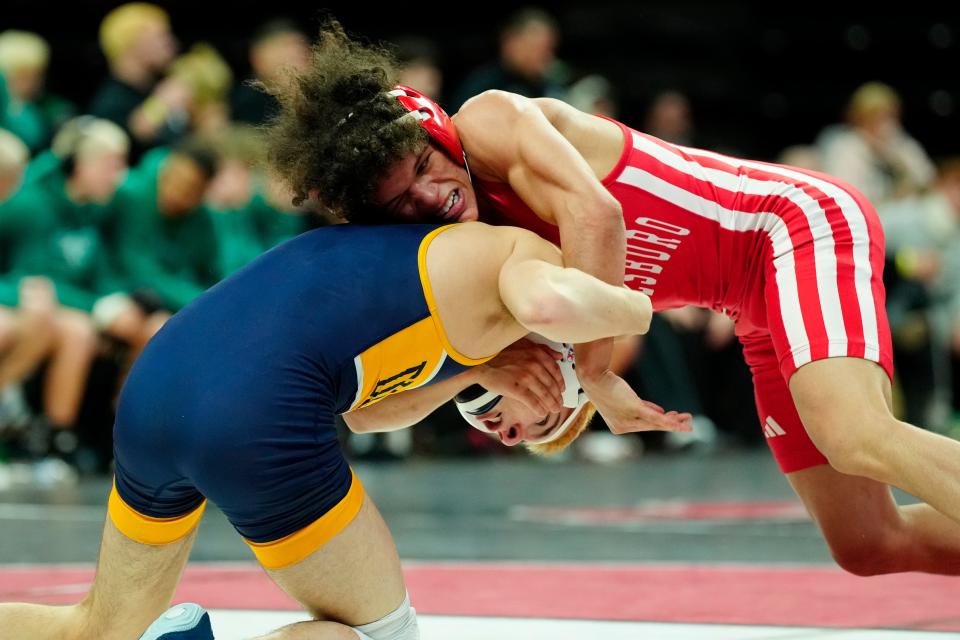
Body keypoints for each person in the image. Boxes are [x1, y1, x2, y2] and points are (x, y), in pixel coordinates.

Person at [264, 20, 960, 576]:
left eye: (425, 165)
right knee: (868, 544)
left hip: (787, 224)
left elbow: (600, 218)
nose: (432, 194)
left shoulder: (490, 121)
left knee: (855, 434)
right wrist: (493, 379)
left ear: (437, 131)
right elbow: (366, 409)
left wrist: (589, 376)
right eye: (403, 199)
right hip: (747, 299)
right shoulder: (450, 244)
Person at [0, 220, 687, 639]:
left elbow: (360, 411)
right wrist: (638, 311)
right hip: (248, 415)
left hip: (157, 385)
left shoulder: (445, 306)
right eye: (541, 427)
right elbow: (550, 298)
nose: (509, 434)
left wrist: (476, 376)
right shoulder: (519, 259)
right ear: (562, 371)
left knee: (100, 628)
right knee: (378, 634)